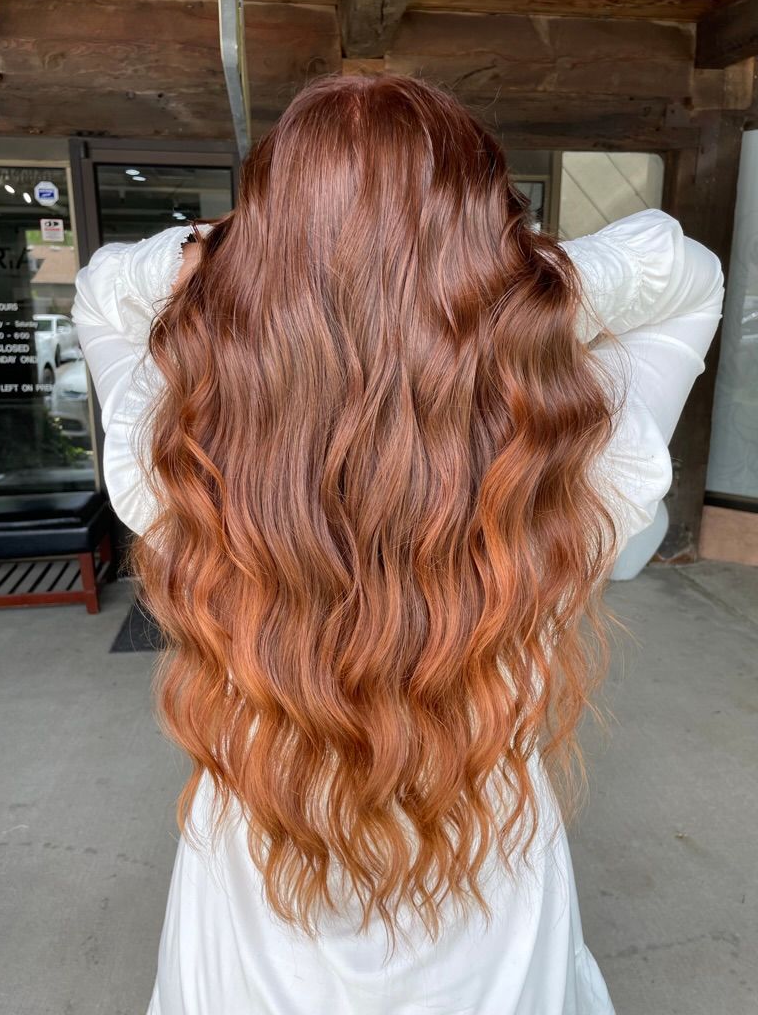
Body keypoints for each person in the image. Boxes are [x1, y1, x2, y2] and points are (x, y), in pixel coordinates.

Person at [71, 75, 724, 1015]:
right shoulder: (574, 454)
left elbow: (103, 288)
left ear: (262, 253)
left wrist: (211, 261)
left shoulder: (172, 455)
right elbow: (684, 270)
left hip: (252, 898)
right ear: (488, 241)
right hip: (490, 893)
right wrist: (519, 293)